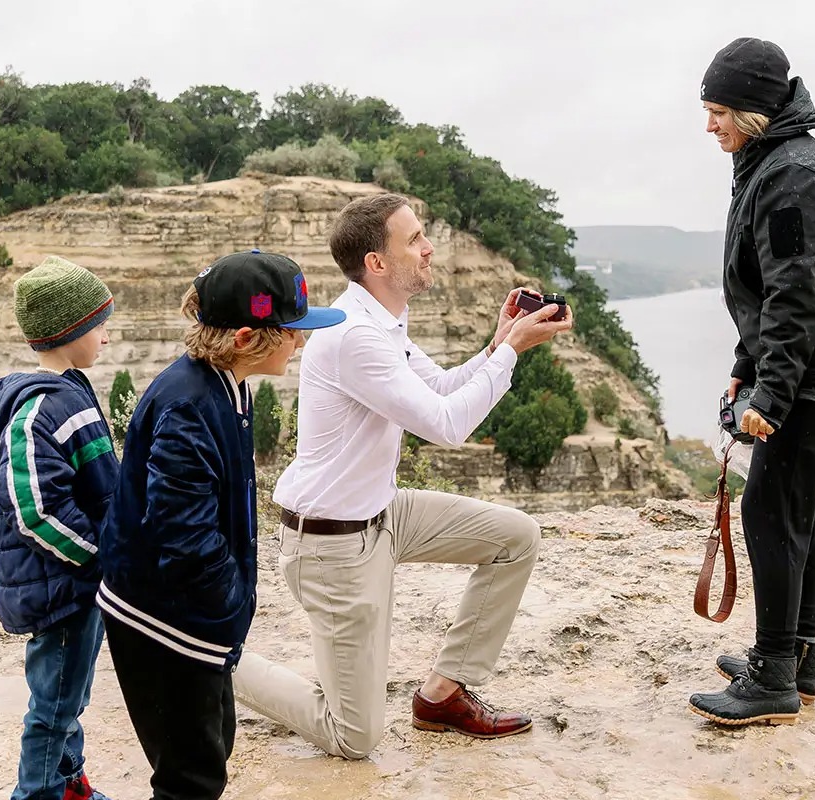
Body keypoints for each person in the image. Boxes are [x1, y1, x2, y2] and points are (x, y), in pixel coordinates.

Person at [234, 193, 573, 760]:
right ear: (377, 262)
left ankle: (444, 693)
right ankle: (214, 661)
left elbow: (436, 391)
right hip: (331, 543)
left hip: (382, 513)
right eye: (414, 238)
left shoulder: (381, 321)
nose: (429, 245)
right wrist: (511, 352)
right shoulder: (354, 336)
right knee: (354, 737)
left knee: (515, 537)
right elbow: (446, 426)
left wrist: (496, 343)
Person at [97, 249, 346, 800]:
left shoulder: (223, 386)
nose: (302, 340)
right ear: (247, 339)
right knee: (192, 766)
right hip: (165, 621)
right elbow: (184, 534)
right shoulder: (187, 406)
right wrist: (228, 603)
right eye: (294, 330)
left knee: (208, 749)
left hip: (190, 619)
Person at [686, 38, 815, 727]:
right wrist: (746, 366)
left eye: (718, 111)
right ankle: (799, 655)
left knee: (771, 509)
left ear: (755, 111)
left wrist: (770, 395)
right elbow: (765, 295)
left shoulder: (795, 177)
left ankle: (772, 677)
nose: (710, 125)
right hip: (802, 365)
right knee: (798, 510)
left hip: (812, 370)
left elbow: (797, 299)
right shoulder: (768, 163)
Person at [0, 256, 142, 800]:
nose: (107, 333)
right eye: (100, 323)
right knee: (52, 701)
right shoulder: (38, 407)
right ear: (69, 330)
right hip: (60, 584)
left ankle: (69, 788)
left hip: (79, 581)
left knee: (69, 693)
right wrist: (100, 555)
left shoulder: (71, 391)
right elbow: (35, 509)